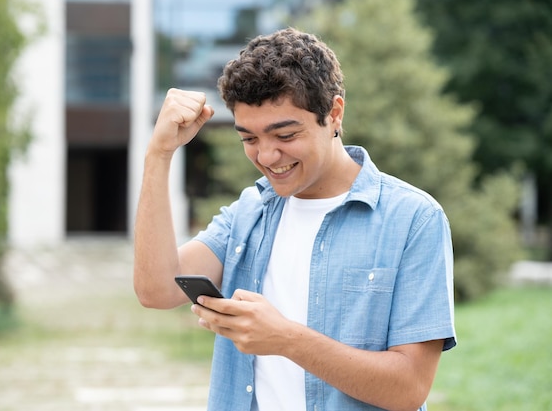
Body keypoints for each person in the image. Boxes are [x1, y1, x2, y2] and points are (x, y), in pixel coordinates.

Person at [134, 27, 456, 411]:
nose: (267, 156)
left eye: (284, 134)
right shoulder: (250, 211)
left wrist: (285, 338)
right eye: (249, 139)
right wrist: (159, 154)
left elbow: (408, 388)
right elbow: (155, 290)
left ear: (334, 113)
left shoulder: (413, 219)